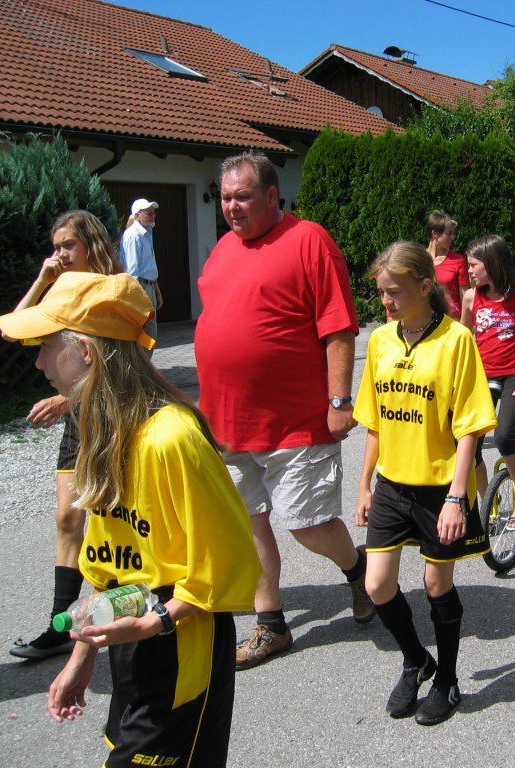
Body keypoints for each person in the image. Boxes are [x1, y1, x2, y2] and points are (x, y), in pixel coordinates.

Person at [0, 271, 260, 766]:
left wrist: (154, 622)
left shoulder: (171, 438)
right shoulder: (103, 431)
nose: (36, 362)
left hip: (181, 643)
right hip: (129, 637)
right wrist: (83, 656)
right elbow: (108, 561)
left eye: (47, 345)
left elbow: (227, 563)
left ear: (87, 352)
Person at [194, 152, 373, 672]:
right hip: (227, 422)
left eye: (242, 196)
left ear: (272, 196)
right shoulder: (224, 248)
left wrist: (340, 401)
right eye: (225, 197)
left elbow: (338, 326)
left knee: (307, 525)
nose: (231, 207)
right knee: (246, 523)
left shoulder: (308, 239)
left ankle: (358, 570)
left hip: (294, 419)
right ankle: (270, 626)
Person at [354, 241, 497, 726]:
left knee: (436, 585)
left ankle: (448, 681)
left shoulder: (456, 341)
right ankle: (417, 659)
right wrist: (364, 484)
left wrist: (458, 497)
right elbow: (375, 420)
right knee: (376, 585)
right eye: (381, 293)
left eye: (394, 292)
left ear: (424, 285)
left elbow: (471, 427)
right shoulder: (379, 341)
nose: (386, 302)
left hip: (441, 490)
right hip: (393, 485)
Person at [9, 210, 122, 660]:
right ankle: (62, 624)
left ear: (90, 245)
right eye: (55, 246)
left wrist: (67, 398)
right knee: (67, 518)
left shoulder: (114, 291)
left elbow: (119, 366)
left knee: (114, 521)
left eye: (67, 246)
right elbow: (20, 328)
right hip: (79, 422)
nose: (59, 254)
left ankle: (124, 610)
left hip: (110, 417)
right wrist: (42, 276)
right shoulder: (57, 291)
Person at [462, 234, 515, 530]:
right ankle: (489, 502)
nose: (469, 271)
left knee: (502, 437)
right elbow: (462, 342)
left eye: (474, 265)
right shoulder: (471, 297)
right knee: (469, 444)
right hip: (482, 375)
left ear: (492, 263)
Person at [119, 199, 162, 348]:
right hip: (140, 288)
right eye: (148, 213)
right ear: (137, 216)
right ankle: (141, 367)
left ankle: (144, 365)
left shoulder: (147, 233)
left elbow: (150, 266)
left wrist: (157, 291)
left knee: (150, 332)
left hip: (148, 286)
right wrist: (137, 296)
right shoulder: (133, 236)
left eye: (153, 212)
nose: (152, 215)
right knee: (144, 331)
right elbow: (132, 270)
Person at [426, 210, 469, 318]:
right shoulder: (419, 259)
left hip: (452, 321)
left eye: (453, 233)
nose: (453, 237)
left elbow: (465, 298)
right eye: (449, 233)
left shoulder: (458, 260)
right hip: (426, 320)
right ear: (435, 233)